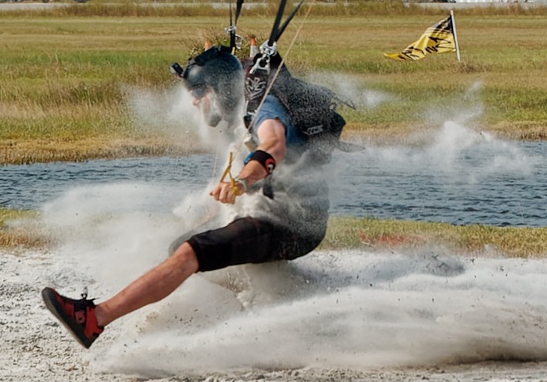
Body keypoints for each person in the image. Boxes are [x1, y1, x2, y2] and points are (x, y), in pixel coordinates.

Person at [42, 43, 339, 349]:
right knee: (178, 247)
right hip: (273, 214)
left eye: (199, 93)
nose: (195, 103)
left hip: (293, 223)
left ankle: (93, 319)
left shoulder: (265, 110)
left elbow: (274, 144)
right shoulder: (244, 106)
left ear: (220, 89)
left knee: (190, 252)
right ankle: (263, 301)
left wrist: (240, 182)